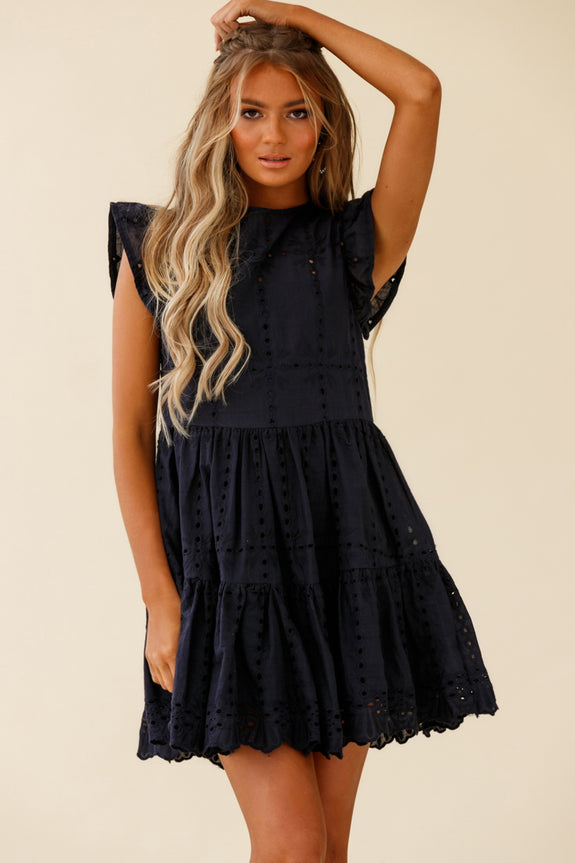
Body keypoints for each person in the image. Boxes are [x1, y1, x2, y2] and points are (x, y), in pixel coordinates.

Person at [108, 2, 498, 861]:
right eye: (250, 111)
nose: (274, 134)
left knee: (323, 849)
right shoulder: (160, 248)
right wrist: (159, 601)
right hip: (230, 576)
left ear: (324, 123)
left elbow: (420, 91)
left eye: (297, 111)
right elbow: (130, 434)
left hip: (344, 562)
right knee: (291, 845)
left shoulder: (353, 244)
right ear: (220, 121)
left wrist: (289, 17)